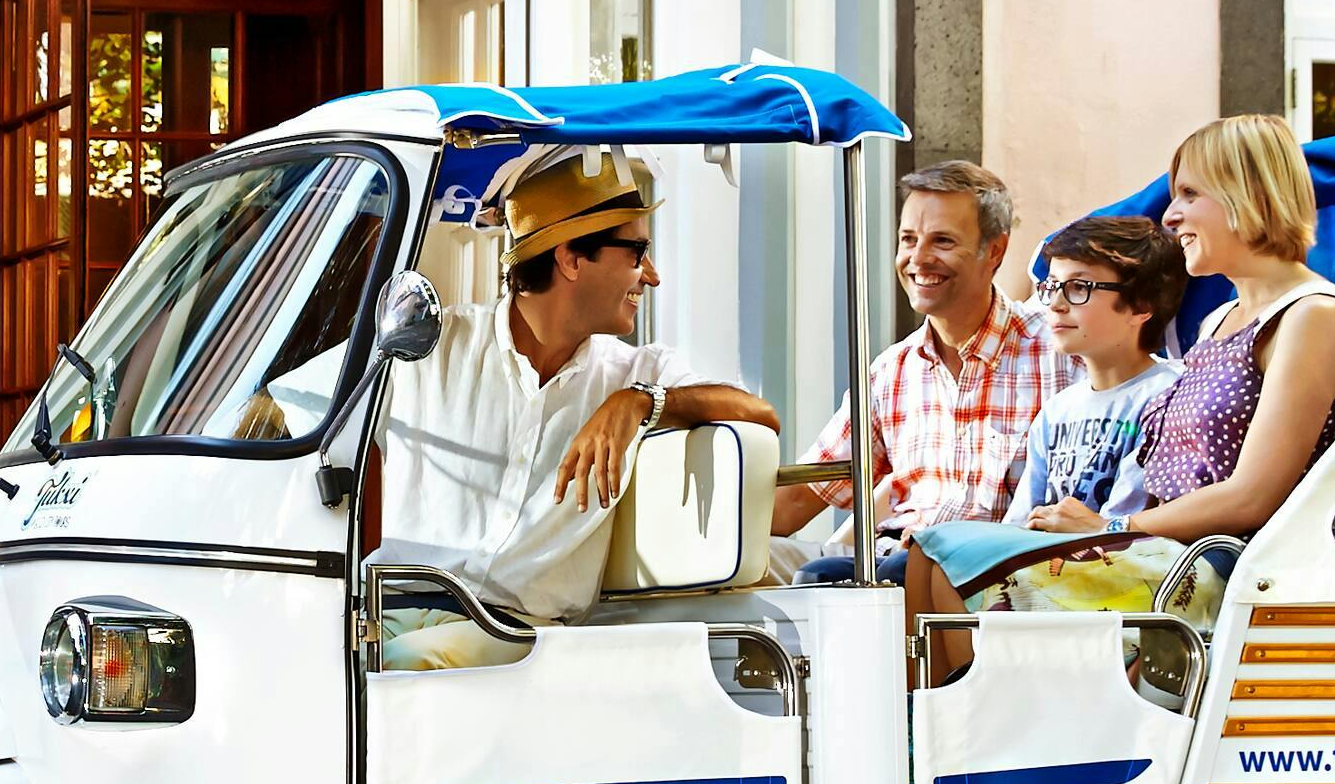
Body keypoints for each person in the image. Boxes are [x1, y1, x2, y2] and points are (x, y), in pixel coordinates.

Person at [908, 117, 1335, 658]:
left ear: (1248, 192)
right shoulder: (1220, 319)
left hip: (1226, 568)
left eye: (1190, 194)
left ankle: (982, 727)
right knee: (929, 552)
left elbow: (1254, 495)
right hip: (1164, 551)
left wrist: (1111, 526)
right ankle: (953, 727)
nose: (1171, 215)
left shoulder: (1314, 315)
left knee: (945, 558)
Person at [370, 149, 777, 654]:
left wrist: (638, 404)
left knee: (376, 678)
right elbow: (282, 410)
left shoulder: (636, 373)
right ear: (570, 257)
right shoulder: (432, 342)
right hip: (382, 615)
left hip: (515, 638)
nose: (650, 275)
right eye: (636, 252)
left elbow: (761, 414)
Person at [767, 160, 1072, 576]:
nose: (918, 259)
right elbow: (804, 496)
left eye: (942, 241)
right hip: (890, 568)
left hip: (998, 578)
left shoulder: (1060, 351)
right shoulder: (891, 372)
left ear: (994, 251)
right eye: (908, 239)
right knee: (744, 566)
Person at [989, 212, 1189, 530]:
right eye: (1051, 286)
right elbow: (1019, 522)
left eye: (1079, 287)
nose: (1054, 303)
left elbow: (1122, 528)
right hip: (1042, 560)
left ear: (1140, 306)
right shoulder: (1056, 411)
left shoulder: (1168, 395)